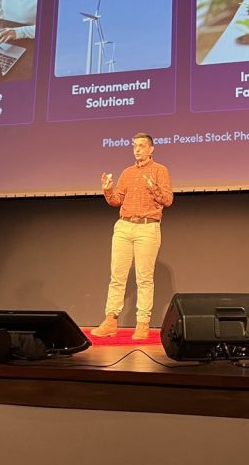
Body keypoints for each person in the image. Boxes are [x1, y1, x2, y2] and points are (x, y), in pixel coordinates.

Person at [91, 132, 174, 340]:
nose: (137, 149)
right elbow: (117, 201)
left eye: (141, 146)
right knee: (117, 277)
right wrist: (108, 190)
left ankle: (142, 323)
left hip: (147, 227)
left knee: (144, 279)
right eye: (135, 145)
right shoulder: (127, 172)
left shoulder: (160, 170)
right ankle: (111, 320)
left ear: (151, 149)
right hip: (124, 226)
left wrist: (155, 189)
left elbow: (168, 200)